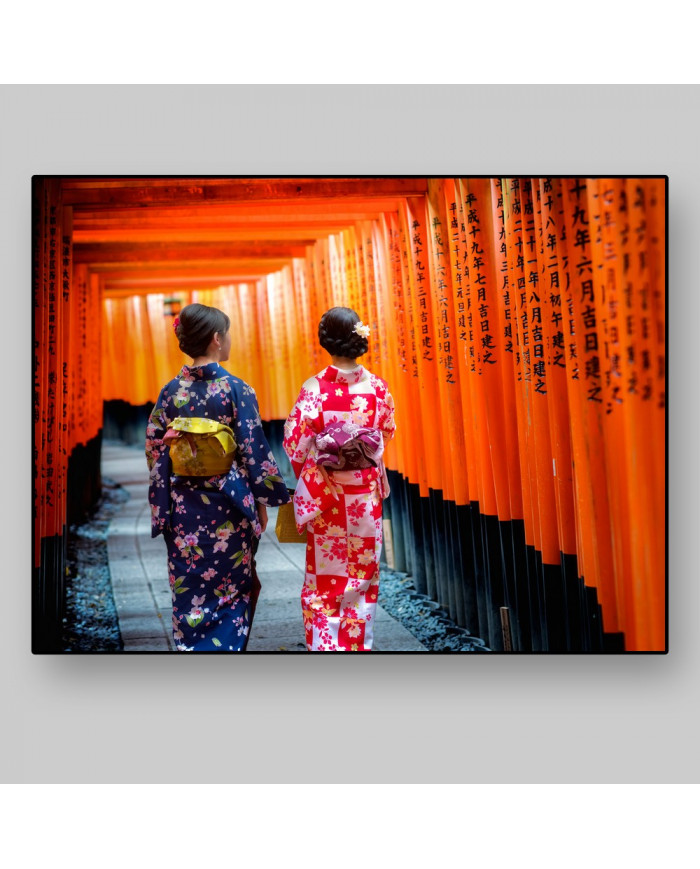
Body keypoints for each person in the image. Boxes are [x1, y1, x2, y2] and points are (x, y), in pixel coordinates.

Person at [145, 303, 290, 651]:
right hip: (228, 506)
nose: (229, 341)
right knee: (230, 588)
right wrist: (264, 499)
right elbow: (253, 448)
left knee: (189, 584)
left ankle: (191, 648)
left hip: (183, 507)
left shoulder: (171, 392)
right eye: (226, 335)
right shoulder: (237, 389)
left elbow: (154, 446)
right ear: (215, 339)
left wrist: (176, 455)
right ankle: (225, 650)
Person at [283, 307, 396, 651]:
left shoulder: (313, 389)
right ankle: (357, 645)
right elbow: (386, 432)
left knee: (324, 578)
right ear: (360, 340)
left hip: (327, 497)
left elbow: (295, 445)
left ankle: (325, 645)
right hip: (364, 497)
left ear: (326, 341)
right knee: (362, 576)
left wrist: (315, 468)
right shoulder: (377, 388)